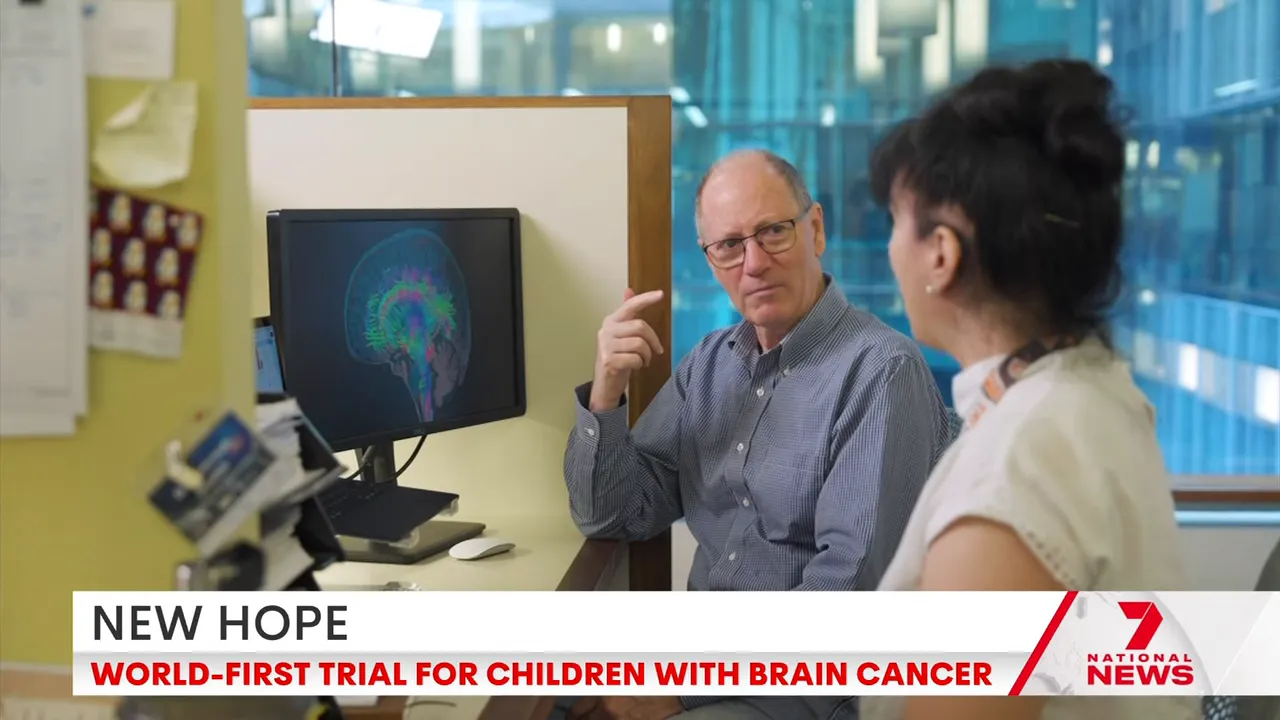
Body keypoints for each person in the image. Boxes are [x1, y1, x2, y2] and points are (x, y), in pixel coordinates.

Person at [556, 149, 954, 720]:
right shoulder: (709, 367)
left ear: (815, 229)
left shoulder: (881, 372)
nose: (754, 263)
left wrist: (680, 686)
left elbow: (847, 595)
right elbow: (614, 515)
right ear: (711, 260)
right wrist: (607, 392)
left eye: (772, 232)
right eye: (729, 246)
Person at [860, 60, 1201, 720]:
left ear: (941, 254)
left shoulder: (1014, 475)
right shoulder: (1086, 389)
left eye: (895, 224)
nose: (889, 252)